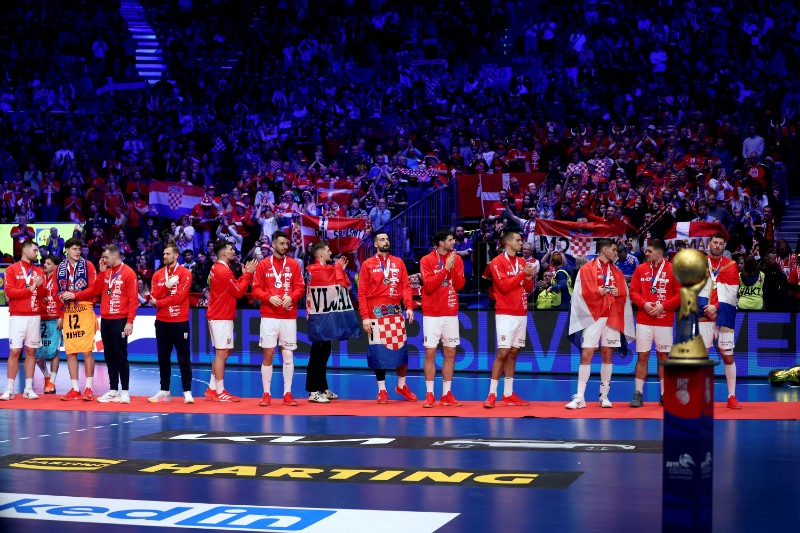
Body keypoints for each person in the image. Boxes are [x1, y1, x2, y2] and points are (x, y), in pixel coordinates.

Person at [566, 238, 635, 409]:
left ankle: (604, 395)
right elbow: (581, 293)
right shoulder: (587, 268)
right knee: (587, 353)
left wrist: (619, 292)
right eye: (613, 249)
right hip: (593, 317)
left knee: (607, 355)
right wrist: (599, 290)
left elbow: (623, 294)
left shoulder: (616, 271)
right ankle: (580, 397)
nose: (615, 252)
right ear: (604, 250)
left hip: (611, 317)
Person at [358, 231, 417, 403]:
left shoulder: (398, 262)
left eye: (387, 239)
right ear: (375, 244)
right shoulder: (367, 264)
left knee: (401, 350)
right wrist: (365, 317)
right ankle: (382, 390)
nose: (386, 241)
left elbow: (406, 286)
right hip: (375, 313)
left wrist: (409, 307)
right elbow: (362, 293)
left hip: (396, 312)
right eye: (382, 239)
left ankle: (401, 385)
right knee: (378, 352)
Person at [252, 230, 305, 407]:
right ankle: (266, 394)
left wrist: (292, 297)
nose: (285, 246)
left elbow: (300, 287)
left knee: (288, 354)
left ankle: (287, 393)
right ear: (273, 244)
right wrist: (269, 298)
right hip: (268, 316)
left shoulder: (294, 264)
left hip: (289, 315)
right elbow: (256, 290)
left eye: (286, 244)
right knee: (268, 354)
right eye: (281, 243)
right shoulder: (263, 265)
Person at [483, 231, 536, 408]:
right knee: (503, 353)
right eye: (518, 240)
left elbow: (527, 288)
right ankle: (492, 394)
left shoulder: (522, 262)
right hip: (505, 312)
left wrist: (529, 276)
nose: (521, 243)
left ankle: (508, 394)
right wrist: (523, 275)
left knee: (514, 353)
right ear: (508, 242)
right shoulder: (496, 263)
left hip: (521, 311)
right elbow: (504, 286)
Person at [304, 241, 360, 402]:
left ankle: (323, 387)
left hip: (326, 318)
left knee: (325, 353)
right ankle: (313, 391)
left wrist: (338, 269)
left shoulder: (327, 269)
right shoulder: (312, 269)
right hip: (317, 319)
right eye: (328, 251)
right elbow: (330, 277)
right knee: (317, 355)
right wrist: (337, 268)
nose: (330, 253)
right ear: (320, 254)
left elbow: (341, 285)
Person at [629, 239, 680, 407]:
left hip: (664, 320)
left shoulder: (673, 270)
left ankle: (665, 394)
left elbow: (680, 295)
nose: (646, 253)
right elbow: (633, 292)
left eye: (649, 251)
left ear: (659, 253)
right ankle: (638, 393)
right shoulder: (640, 269)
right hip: (644, 320)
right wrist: (643, 304)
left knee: (663, 357)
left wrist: (663, 306)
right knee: (642, 355)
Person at [85, 244, 139, 403]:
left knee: (121, 356)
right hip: (106, 320)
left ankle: (125, 391)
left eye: (106, 257)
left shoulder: (129, 273)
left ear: (115, 256)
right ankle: (113, 389)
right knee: (109, 356)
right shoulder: (106, 272)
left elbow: (133, 300)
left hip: (120, 319)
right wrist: (101, 273)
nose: (104, 259)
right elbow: (95, 291)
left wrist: (129, 322)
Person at [205, 239, 257, 402]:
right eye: (230, 249)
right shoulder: (223, 271)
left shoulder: (217, 267)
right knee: (222, 353)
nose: (234, 251)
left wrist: (242, 276)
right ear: (223, 252)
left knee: (224, 352)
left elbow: (233, 287)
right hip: (221, 316)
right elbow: (239, 292)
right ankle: (220, 391)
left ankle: (212, 387)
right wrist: (248, 274)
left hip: (219, 314)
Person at [420, 228, 466, 408]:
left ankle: (447, 394)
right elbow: (429, 286)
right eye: (450, 239)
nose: (454, 242)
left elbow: (460, 284)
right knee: (430, 352)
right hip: (431, 313)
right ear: (441, 243)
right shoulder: (426, 260)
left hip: (450, 312)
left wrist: (452, 267)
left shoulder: (457, 259)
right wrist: (445, 269)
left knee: (450, 353)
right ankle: (430, 394)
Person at [148, 243, 194, 404]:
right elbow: (152, 297)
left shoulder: (185, 273)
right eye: (163, 254)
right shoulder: (157, 274)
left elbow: (179, 298)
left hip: (179, 321)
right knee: (163, 357)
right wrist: (166, 287)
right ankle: (164, 390)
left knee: (183, 357)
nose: (164, 256)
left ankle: (187, 391)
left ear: (176, 256)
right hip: (162, 322)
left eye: (167, 254)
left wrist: (159, 302)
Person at [700, 232, 742, 408]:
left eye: (720, 243)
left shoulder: (731, 266)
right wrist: (706, 308)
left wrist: (715, 307)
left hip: (724, 315)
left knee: (728, 356)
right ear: (709, 244)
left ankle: (731, 396)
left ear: (724, 246)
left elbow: (732, 293)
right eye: (714, 242)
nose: (717, 246)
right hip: (703, 316)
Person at [1, 240, 44, 400]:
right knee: (14, 351)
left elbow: (43, 295)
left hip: (34, 316)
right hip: (17, 316)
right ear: (25, 251)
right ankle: (9, 389)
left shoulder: (38, 271)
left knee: (31, 352)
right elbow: (10, 293)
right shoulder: (11, 269)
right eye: (34, 250)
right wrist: (30, 288)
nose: (37, 253)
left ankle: (28, 388)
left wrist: (40, 287)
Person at [57, 238, 99, 401]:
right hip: (68, 311)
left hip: (85, 308)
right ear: (67, 250)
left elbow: (94, 289)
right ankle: (75, 388)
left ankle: (88, 388)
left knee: (87, 350)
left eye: (79, 249)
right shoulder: (59, 268)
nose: (77, 252)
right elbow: (54, 291)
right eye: (74, 249)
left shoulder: (88, 265)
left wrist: (75, 295)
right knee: (70, 352)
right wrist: (60, 296)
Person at [36, 254, 63, 394]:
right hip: (40, 318)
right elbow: (38, 295)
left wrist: (62, 316)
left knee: (54, 353)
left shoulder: (60, 279)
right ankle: (46, 375)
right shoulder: (39, 277)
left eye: (48, 263)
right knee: (37, 354)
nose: (44, 265)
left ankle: (52, 381)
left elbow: (66, 296)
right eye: (44, 263)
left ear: (55, 265)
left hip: (55, 319)